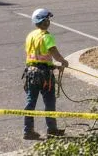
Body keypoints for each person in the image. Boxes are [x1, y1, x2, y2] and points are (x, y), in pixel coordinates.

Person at [23, 8, 68, 140]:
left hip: (31, 73)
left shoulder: (30, 36)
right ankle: (52, 130)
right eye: (47, 19)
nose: (49, 21)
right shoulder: (47, 36)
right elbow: (53, 52)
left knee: (30, 102)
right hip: (45, 76)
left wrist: (53, 65)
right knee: (49, 101)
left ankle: (28, 130)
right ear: (45, 21)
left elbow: (37, 58)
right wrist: (63, 61)